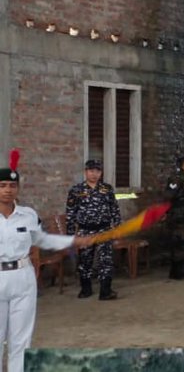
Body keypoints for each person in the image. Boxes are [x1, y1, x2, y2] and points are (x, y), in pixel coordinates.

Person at [0, 151, 92, 372]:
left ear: (18, 189)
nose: (7, 190)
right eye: (2, 185)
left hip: (23, 277)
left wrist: (73, 240)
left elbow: (43, 240)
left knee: (21, 340)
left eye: (12, 186)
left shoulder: (28, 215)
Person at [65, 158, 121, 300]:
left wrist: (117, 227)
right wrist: (71, 235)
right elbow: (70, 213)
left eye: (97, 171)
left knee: (106, 262)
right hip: (85, 231)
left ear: (101, 173)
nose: (94, 174)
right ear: (85, 172)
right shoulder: (76, 190)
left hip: (104, 230)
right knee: (85, 262)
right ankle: (86, 289)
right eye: (91, 171)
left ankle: (105, 291)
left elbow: (114, 209)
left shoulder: (107, 189)